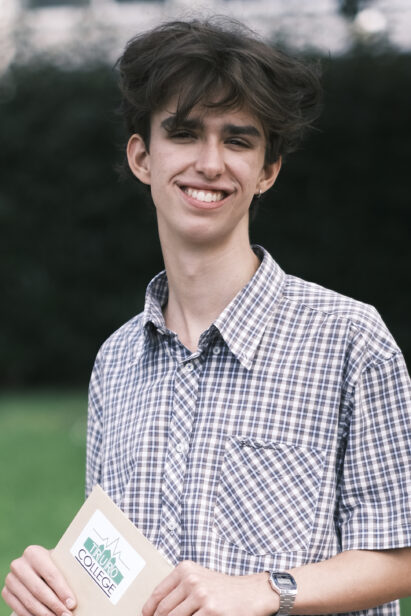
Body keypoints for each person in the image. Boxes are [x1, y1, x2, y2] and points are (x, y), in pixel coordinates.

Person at [3, 17, 411, 616]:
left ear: (267, 170)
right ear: (143, 156)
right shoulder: (114, 361)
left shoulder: (349, 339)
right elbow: (113, 574)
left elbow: (401, 555)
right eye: (186, 133)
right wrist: (54, 584)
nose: (211, 162)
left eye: (239, 140)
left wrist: (264, 590)